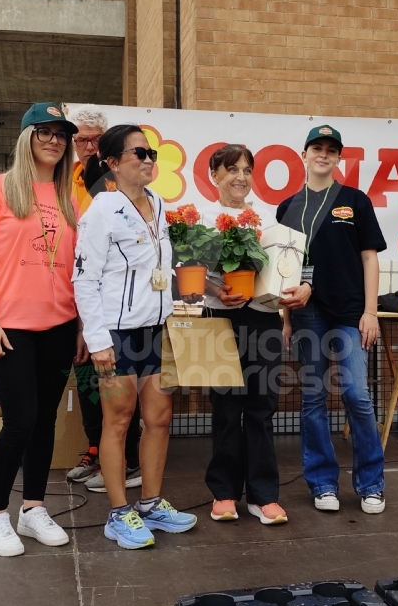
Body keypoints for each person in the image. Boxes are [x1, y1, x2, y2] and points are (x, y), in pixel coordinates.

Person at [72, 123, 197, 549]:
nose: (148, 160)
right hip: (117, 335)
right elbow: (84, 280)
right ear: (111, 163)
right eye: (138, 154)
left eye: (151, 154)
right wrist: (98, 339)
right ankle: (118, 513)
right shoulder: (101, 209)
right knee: (118, 422)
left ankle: (151, 504)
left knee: (159, 420)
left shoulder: (159, 204)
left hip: (157, 331)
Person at [0, 103, 82, 556]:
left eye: (61, 134)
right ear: (26, 137)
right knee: (19, 422)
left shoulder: (67, 197)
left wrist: (78, 326)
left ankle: (32, 509)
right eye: (44, 132)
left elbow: (73, 267)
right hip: (11, 326)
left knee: (45, 422)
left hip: (59, 324)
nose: (54, 140)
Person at [276, 125, 388, 515]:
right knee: (312, 399)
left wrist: (370, 312)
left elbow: (370, 257)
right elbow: (284, 270)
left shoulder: (355, 200)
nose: (323, 154)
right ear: (303, 154)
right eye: (316, 147)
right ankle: (323, 483)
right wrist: (286, 319)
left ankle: (371, 484)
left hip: (351, 314)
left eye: (331, 149)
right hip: (308, 316)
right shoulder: (287, 207)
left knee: (357, 396)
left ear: (339, 158)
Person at [195, 145, 287, 525]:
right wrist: (217, 291)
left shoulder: (266, 218)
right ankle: (225, 493)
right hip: (218, 318)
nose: (240, 177)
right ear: (214, 175)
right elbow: (189, 271)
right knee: (227, 408)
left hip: (263, 318)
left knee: (262, 409)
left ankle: (263, 496)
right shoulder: (200, 217)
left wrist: (288, 303)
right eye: (231, 169)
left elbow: (284, 269)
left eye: (247, 170)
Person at [65, 107, 143, 491]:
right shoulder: (68, 179)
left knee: (119, 383)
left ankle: (125, 462)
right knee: (86, 378)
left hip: (109, 303)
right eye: (81, 139)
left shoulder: (111, 182)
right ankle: (95, 449)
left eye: (96, 139)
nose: (88, 146)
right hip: (71, 292)